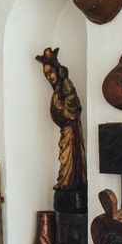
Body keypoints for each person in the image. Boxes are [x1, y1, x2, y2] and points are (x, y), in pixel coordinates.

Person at [35, 47, 87, 191]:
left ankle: (68, 181)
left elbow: (73, 105)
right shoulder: (59, 86)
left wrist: (61, 110)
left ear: (57, 70)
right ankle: (66, 181)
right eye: (46, 75)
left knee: (67, 155)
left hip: (70, 128)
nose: (49, 77)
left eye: (51, 72)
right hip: (66, 129)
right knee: (65, 155)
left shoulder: (65, 83)